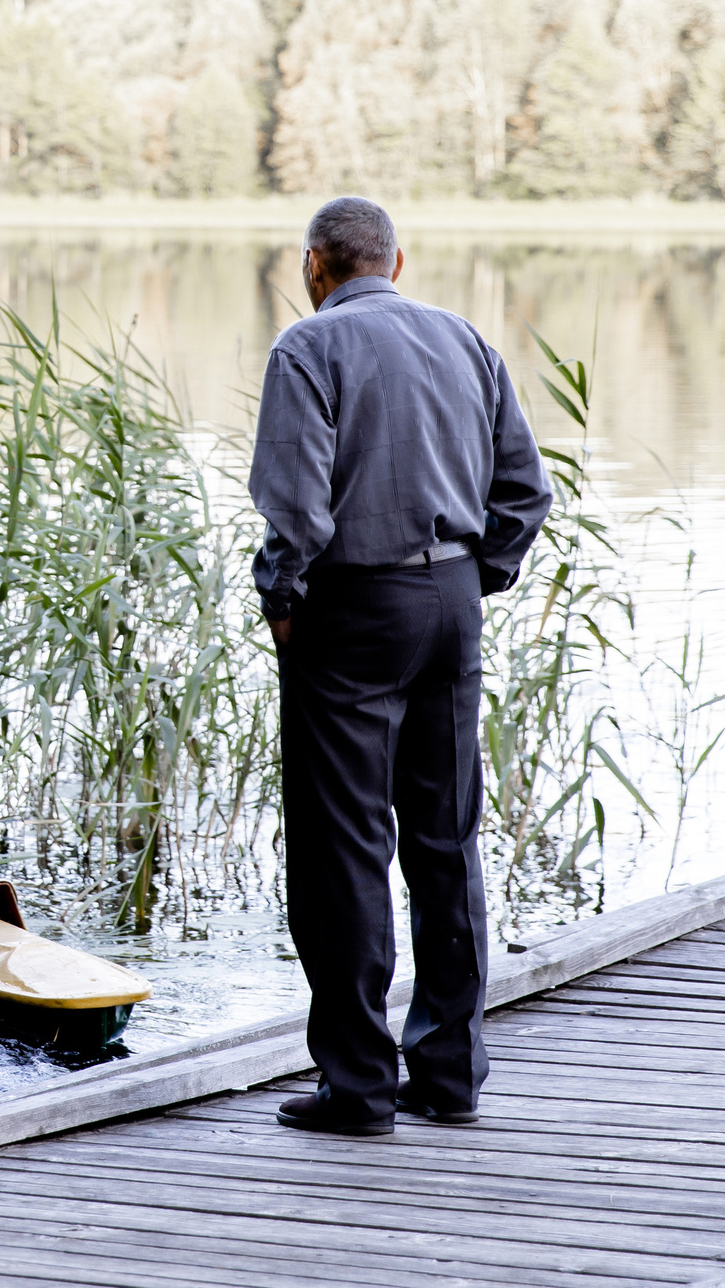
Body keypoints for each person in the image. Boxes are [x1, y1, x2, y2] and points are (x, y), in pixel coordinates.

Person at [249, 196, 552, 1137]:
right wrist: (476, 577)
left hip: (352, 609)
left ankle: (359, 1087)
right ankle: (452, 1073)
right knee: (444, 840)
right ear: (397, 260)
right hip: (453, 603)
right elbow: (525, 492)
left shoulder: (307, 349)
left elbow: (295, 512)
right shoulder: (466, 341)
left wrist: (282, 598)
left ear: (314, 266)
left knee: (343, 851)